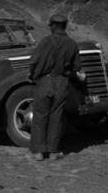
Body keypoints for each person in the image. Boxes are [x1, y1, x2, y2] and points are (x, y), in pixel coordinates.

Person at [28, 14, 85, 161]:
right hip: (62, 82)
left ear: (53, 26)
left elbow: (34, 61)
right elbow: (77, 67)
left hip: (44, 81)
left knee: (40, 116)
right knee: (56, 117)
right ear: (65, 26)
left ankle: (38, 152)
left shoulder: (45, 41)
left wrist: (33, 75)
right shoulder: (72, 44)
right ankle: (53, 151)